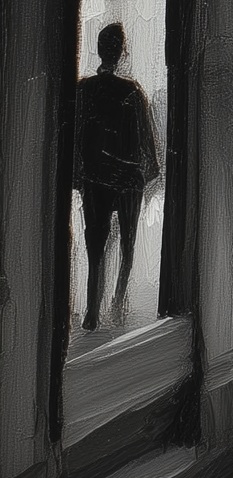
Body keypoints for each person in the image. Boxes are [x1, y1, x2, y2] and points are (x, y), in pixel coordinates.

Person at [73, 23, 162, 333]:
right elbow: (148, 145)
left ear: (100, 50)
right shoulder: (132, 92)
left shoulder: (84, 89)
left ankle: (92, 311)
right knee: (127, 243)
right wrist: (144, 175)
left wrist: (80, 178)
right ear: (122, 53)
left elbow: (75, 138)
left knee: (95, 245)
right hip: (127, 179)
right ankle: (118, 303)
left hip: (95, 178)